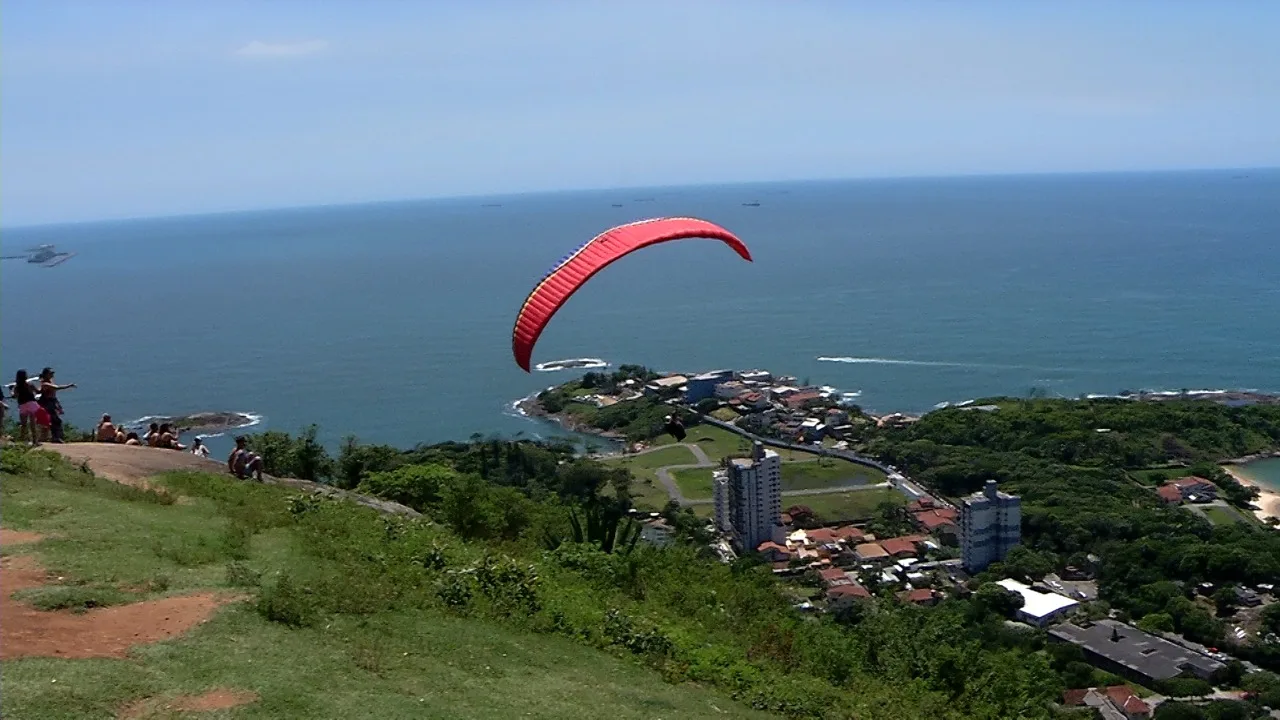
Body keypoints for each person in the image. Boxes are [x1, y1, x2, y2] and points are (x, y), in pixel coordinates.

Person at [37, 368, 74, 444]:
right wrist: (68, 386)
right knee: (55, 420)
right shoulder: (45, 384)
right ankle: (56, 437)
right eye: (51, 373)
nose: (52, 375)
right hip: (48, 403)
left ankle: (56, 437)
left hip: (52, 402)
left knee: (55, 421)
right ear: (46, 374)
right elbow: (56, 388)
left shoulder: (48, 382)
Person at [12, 370, 41, 446]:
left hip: (22, 405)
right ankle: (35, 441)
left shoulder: (16, 386)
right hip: (31, 403)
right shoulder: (29, 384)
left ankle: (23, 440)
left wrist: (11, 392)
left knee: (23, 424)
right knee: (33, 423)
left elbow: (14, 395)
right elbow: (38, 391)